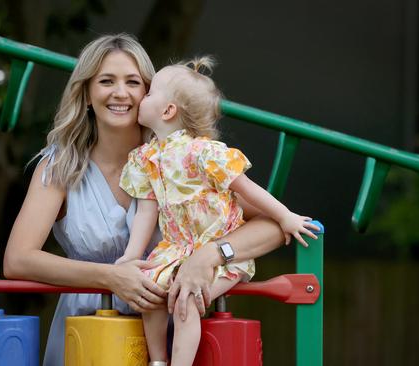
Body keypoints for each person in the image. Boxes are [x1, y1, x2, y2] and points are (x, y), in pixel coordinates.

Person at [2, 34, 287, 366]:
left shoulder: (186, 162)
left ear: (154, 96)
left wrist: (209, 255)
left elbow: (276, 225)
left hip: (170, 336)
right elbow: (18, 260)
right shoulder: (60, 166)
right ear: (87, 94)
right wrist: (110, 277)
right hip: (89, 333)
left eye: (133, 82)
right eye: (106, 81)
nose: (120, 93)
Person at [113, 56, 319, 366]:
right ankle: (157, 361)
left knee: (188, 300)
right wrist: (132, 255)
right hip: (175, 249)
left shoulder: (204, 152)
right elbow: (147, 211)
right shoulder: (146, 157)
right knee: (150, 292)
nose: (142, 97)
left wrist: (284, 215)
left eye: (150, 92)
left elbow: (247, 189)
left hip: (219, 242)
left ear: (168, 111)